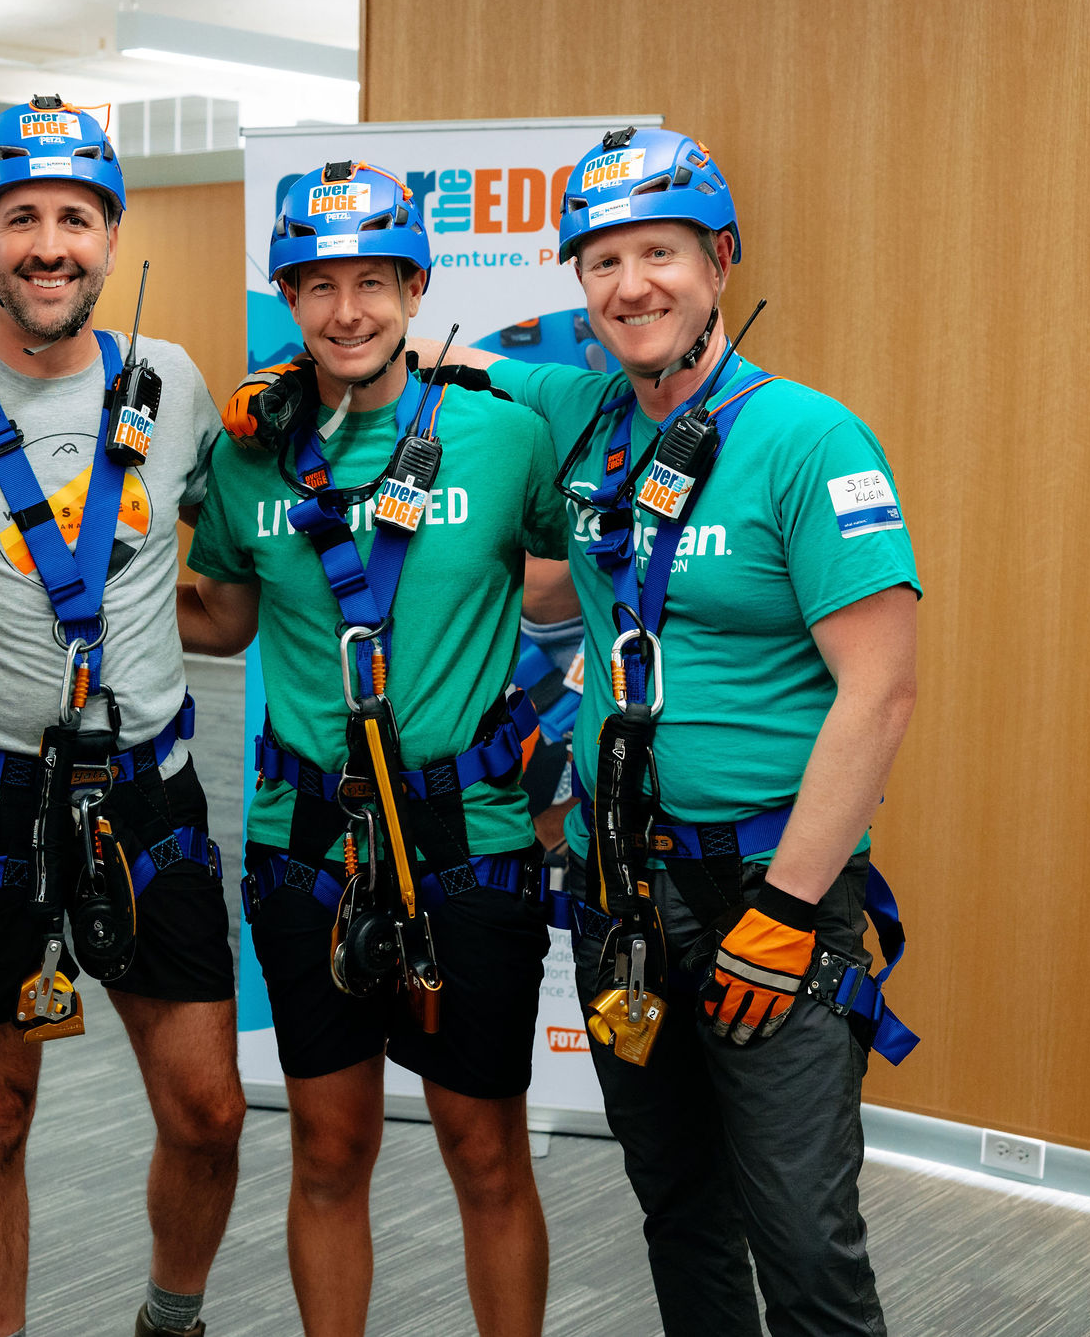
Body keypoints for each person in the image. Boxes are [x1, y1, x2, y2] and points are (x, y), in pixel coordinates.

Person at [445, 126, 921, 1337]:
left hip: (764, 893)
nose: (628, 286)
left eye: (657, 253)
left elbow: (879, 694)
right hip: (621, 897)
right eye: (599, 262)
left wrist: (792, 906)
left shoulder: (809, 441)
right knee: (676, 1209)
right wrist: (294, 386)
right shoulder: (583, 413)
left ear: (718, 260)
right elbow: (412, 351)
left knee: (802, 1240)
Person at [0, 95, 244, 1337]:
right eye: (18, 217)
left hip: (145, 792)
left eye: (73, 217)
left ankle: (168, 1316)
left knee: (209, 1111)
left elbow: (230, 558)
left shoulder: (171, 381)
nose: (47, 244)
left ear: (109, 234)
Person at [183, 160, 565, 1337]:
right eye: (315, 286)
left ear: (412, 286)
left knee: (483, 1149)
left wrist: (554, 751)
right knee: (327, 1150)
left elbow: (577, 592)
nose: (343, 311)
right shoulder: (249, 458)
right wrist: (90, 581)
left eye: (370, 282)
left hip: (474, 841)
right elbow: (225, 617)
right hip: (305, 846)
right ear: (288, 298)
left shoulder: (502, 438)